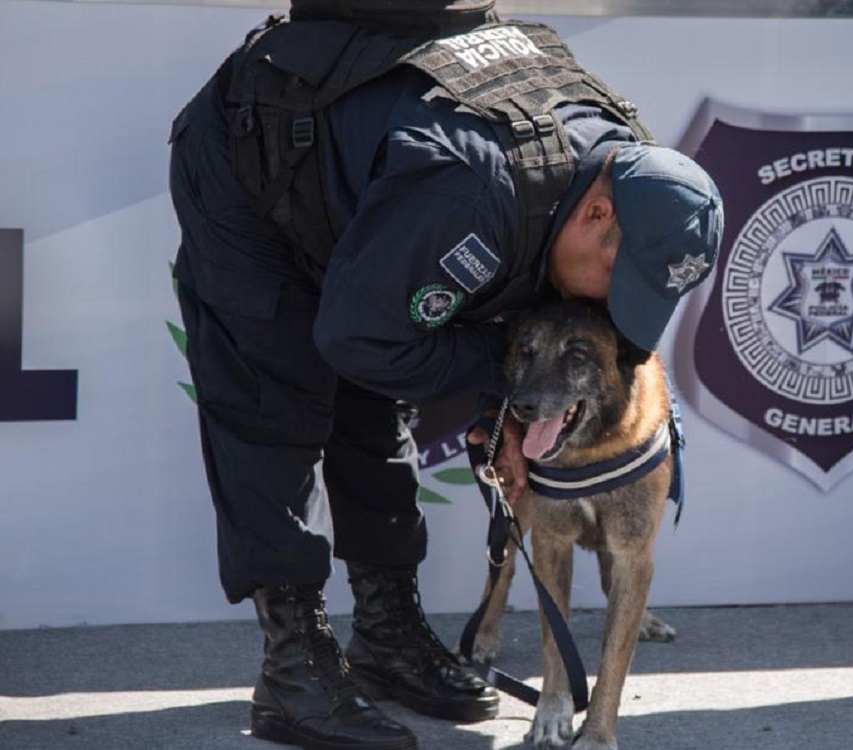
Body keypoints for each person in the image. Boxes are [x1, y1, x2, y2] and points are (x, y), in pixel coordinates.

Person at [168, 2, 722, 749]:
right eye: (610, 283)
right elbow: (358, 335)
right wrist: (504, 380)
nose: (599, 307)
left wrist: (506, 412)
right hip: (254, 167)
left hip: (370, 182)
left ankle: (386, 636)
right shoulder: (472, 190)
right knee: (279, 402)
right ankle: (293, 668)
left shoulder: (633, 172)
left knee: (376, 400)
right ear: (595, 214)